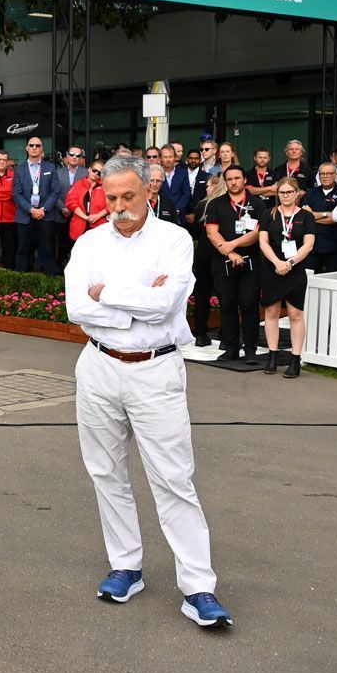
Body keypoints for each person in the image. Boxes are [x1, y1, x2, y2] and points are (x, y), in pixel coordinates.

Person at [64, 154, 232, 628]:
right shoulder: (90, 242)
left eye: (127, 196)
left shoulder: (175, 240)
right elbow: (76, 306)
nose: (118, 206)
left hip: (155, 370)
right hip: (98, 366)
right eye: (110, 197)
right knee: (105, 472)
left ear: (148, 192)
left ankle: (199, 587)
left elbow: (165, 304)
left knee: (173, 479)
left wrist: (106, 294)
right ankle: (126, 566)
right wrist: (127, 302)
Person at [257, 180, 315, 376]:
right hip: (272, 268)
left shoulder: (306, 216)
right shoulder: (268, 214)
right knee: (271, 313)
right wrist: (277, 263)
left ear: (297, 193)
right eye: (282, 192)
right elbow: (263, 242)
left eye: (289, 192)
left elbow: (308, 245)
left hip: (295, 270)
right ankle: (272, 356)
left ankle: (295, 359)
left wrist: (290, 263)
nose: (285, 195)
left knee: (295, 315)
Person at [204, 166, 261, 362]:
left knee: (249, 304)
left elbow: (256, 234)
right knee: (227, 304)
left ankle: (251, 348)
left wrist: (233, 246)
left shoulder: (257, 203)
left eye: (237, 178)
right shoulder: (216, 204)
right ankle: (231, 347)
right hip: (223, 263)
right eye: (230, 179)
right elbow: (212, 232)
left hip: (250, 263)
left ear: (244, 179)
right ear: (225, 182)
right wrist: (230, 253)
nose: (234, 182)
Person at [188, 169, 228, 346]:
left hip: (205, 253)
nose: (205, 189)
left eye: (208, 186)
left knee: (202, 293)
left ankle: (201, 332)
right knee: (224, 293)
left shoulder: (204, 206)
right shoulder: (220, 205)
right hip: (220, 252)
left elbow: (196, 231)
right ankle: (226, 332)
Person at [12, 137, 62, 274]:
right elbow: (16, 194)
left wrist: (43, 209)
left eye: (37, 145)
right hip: (24, 217)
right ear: (27, 148)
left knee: (47, 251)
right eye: (31, 145)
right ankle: (21, 286)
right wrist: (31, 209)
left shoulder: (50, 168)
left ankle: (49, 287)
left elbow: (55, 191)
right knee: (23, 251)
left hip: (46, 217)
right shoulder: (19, 169)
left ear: (42, 149)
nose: (34, 147)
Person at [304, 163, 337, 273]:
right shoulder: (310, 193)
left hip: (334, 247)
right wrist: (327, 214)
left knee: (333, 282)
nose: (325, 176)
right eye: (322, 173)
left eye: (329, 173)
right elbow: (305, 217)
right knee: (310, 281)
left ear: (335, 175)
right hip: (312, 247)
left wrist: (313, 214)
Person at [55, 145, 90, 262]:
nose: (74, 157)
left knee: (79, 247)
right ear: (67, 156)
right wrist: (63, 208)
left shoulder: (87, 173)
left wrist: (73, 209)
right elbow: (53, 193)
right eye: (72, 154)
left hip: (79, 215)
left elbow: (89, 196)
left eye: (78, 155)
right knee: (62, 247)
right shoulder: (58, 173)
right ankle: (61, 273)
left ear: (81, 158)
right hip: (61, 215)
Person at [64, 161, 103, 243]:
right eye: (94, 170)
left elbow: (110, 205)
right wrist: (86, 217)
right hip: (79, 225)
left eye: (99, 173)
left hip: (99, 225)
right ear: (89, 169)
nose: (96, 173)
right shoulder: (78, 184)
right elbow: (71, 202)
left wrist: (97, 216)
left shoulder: (105, 187)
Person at [159, 145, 190, 219]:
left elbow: (186, 194)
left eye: (170, 156)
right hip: (161, 214)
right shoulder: (157, 173)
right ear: (160, 158)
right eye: (165, 157)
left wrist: (177, 210)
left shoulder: (183, 173)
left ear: (175, 158)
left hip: (179, 215)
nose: (168, 159)